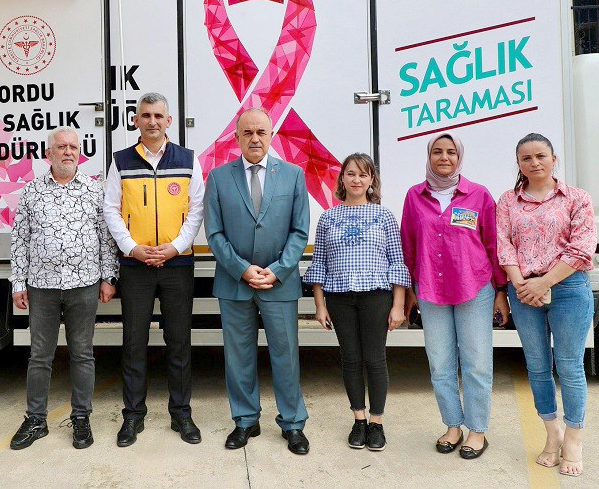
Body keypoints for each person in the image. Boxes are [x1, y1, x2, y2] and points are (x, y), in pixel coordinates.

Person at [204, 107, 310, 455]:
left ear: (271, 136)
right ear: (236, 137)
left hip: (280, 282)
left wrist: (278, 269)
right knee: (239, 357)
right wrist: (242, 269)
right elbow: (215, 233)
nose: (254, 138)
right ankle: (245, 420)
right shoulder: (218, 178)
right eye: (247, 132)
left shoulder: (293, 175)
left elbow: (299, 231)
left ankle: (293, 423)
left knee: (286, 355)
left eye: (261, 132)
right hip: (235, 282)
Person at [102, 92, 205, 446]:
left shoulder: (188, 160)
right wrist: (133, 248)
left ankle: (181, 415)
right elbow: (111, 209)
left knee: (179, 342)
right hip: (136, 266)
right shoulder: (121, 161)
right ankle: (133, 416)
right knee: (134, 343)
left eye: (158, 116)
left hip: (178, 264)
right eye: (145, 115)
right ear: (135, 120)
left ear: (168, 121)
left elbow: (196, 209)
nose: (152, 121)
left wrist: (174, 247)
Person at [8, 127, 118, 450]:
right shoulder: (31, 192)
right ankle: (36, 420)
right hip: (41, 286)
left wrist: (109, 278)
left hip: (84, 285)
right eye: (61, 147)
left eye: (73, 147)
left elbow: (106, 237)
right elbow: (20, 239)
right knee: (40, 356)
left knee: (82, 353)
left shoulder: (94, 190)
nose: (68, 152)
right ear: (49, 154)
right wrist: (18, 282)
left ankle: (81, 418)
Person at [400, 133, 509, 460]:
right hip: (430, 290)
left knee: (477, 363)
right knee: (440, 363)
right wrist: (409, 290)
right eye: (437, 151)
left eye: (451, 152)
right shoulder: (414, 196)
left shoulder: (478, 195)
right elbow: (408, 245)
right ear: (429, 156)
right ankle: (452, 425)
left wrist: (500, 291)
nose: (444, 157)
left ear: (459, 157)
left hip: (474, 288)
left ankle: (477, 430)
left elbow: (493, 244)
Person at [496, 133, 597, 477]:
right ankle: (552, 433)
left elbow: (582, 247)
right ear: (519, 164)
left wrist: (545, 282)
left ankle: (574, 438)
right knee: (537, 366)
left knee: (570, 366)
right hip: (524, 291)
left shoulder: (577, 198)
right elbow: (504, 245)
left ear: (554, 159)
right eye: (526, 158)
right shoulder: (508, 200)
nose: (534, 162)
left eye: (541, 155)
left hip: (568, 288)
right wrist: (521, 284)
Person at [303, 153, 409, 453]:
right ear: (342, 178)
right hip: (339, 297)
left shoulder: (384, 216)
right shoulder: (328, 218)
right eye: (351, 174)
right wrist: (320, 305)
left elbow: (397, 262)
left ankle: (376, 423)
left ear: (371, 180)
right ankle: (359, 419)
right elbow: (320, 263)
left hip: (376, 296)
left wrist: (398, 305)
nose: (356, 180)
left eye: (363, 174)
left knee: (375, 358)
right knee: (350, 358)